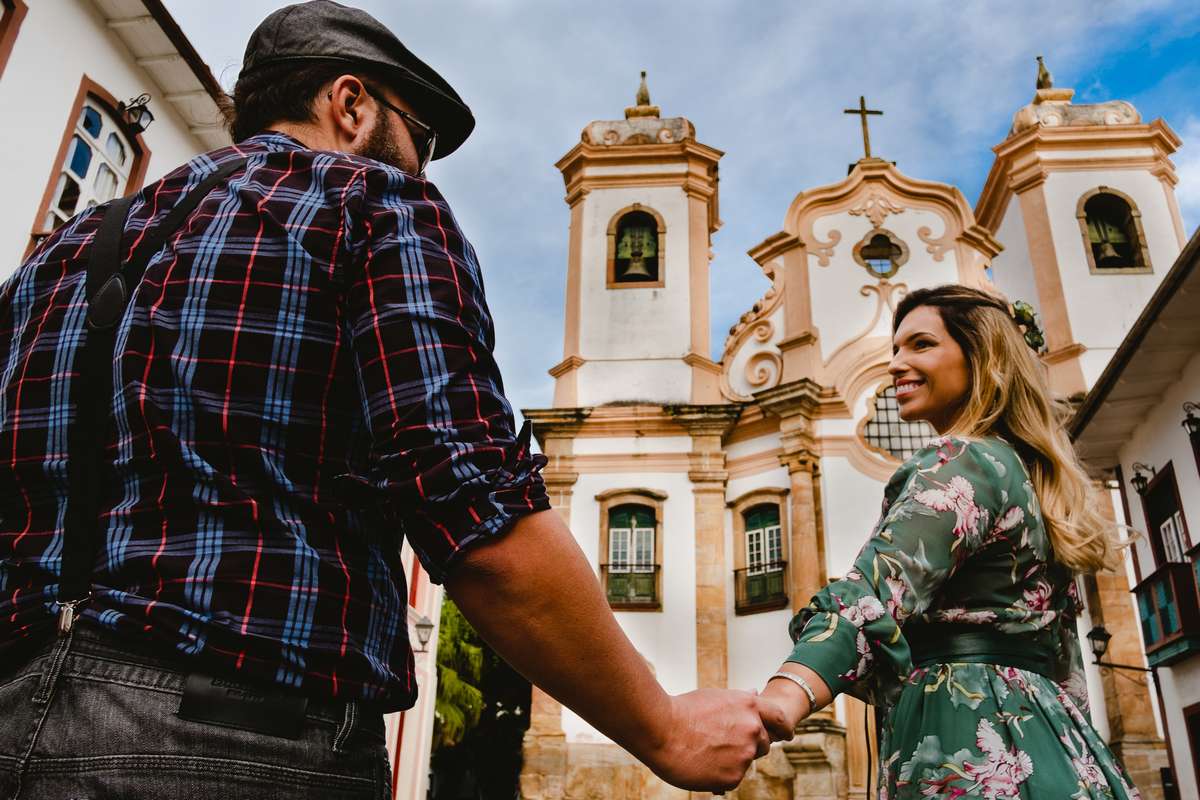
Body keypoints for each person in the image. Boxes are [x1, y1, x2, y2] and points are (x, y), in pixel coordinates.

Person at [0, 3, 782, 797]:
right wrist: (664, 727)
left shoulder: (62, 253)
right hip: (243, 741)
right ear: (351, 104)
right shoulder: (371, 204)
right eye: (423, 138)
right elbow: (470, 506)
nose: (422, 166)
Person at [757, 284, 1142, 798]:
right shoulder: (1031, 478)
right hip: (1055, 739)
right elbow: (1065, 663)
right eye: (896, 349)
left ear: (980, 356)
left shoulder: (961, 461)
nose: (895, 364)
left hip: (965, 736)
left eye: (920, 345)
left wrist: (785, 696)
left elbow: (872, 596)